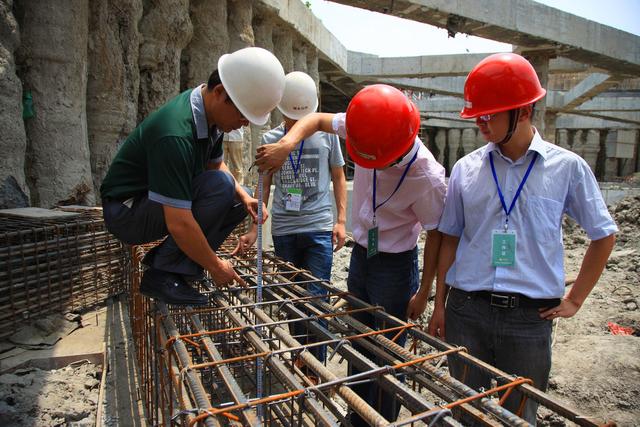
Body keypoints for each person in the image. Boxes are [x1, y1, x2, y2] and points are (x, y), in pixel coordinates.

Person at [427, 53, 618, 424]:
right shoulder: (466, 170)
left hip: (529, 320)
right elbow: (449, 239)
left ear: (524, 111)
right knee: (466, 413)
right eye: (478, 115)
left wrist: (576, 298)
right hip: (467, 311)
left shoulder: (567, 168)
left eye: (490, 114)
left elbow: (603, 234)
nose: (481, 123)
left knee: (518, 417)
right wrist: (440, 304)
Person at [255, 84, 446, 425]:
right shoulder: (367, 123)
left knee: (389, 352)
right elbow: (313, 119)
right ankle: (357, 417)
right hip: (362, 254)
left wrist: (424, 290)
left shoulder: (426, 176)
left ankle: (380, 420)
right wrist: (287, 145)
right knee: (358, 339)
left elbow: (437, 235)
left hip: (394, 266)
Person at [100, 47, 285, 305]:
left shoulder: (211, 118)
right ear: (220, 92)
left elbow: (215, 166)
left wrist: (245, 198)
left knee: (233, 195)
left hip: (149, 202)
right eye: (243, 114)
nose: (245, 123)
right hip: (127, 212)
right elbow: (179, 222)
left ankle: (179, 268)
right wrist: (217, 267)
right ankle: (162, 275)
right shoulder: (175, 133)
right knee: (221, 187)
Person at [233, 70, 347, 364]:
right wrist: (254, 230)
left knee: (316, 298)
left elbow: (337, 175)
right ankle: (299, 358)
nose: (296, 123)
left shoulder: (327, 136)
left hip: (318, 226)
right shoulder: (271, 139)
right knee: (292, 299)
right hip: (284, 228)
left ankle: (315, 367)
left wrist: (341, 220)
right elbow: (264, 183)